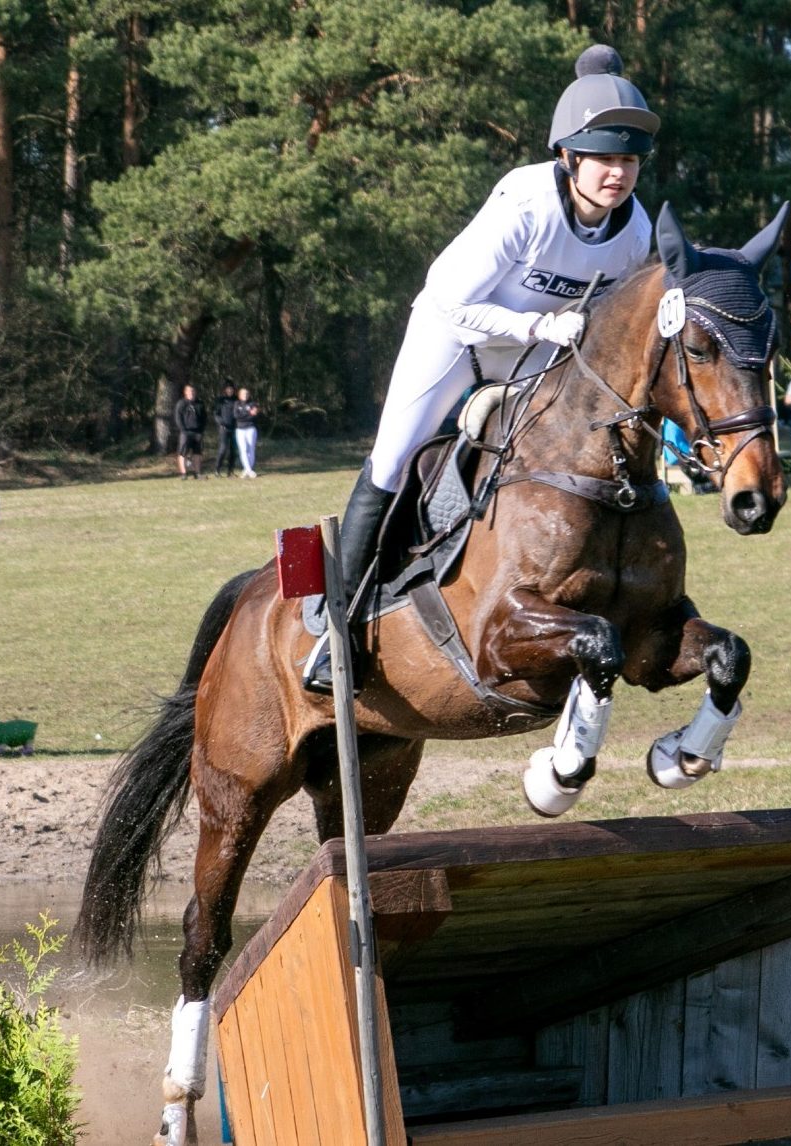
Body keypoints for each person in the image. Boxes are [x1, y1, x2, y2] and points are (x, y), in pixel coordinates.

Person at [303, 45, 660, 693]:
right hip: (454, 340)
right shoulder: (525, 203)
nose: (618, 174)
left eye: (629, 160)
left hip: (538, 359)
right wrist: (534, 325)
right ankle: (338, 633)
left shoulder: (634, 230)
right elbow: (447, 293)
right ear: (569, 158)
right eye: (605, 159)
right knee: (393, 460)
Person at [173, 384, 206, 480]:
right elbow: (178, 418)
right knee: (183, 453)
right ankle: (183, 473)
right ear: (185, 392)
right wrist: (183, 430)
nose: (191, 393)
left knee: (197, 454)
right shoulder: (181, 403)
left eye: (193, 391)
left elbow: (204, 418)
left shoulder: (199, 403)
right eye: (189, 391)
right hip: (186, 432)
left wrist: (201, 430)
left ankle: (197, 473)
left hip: (198, 432)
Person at [233, 388, 260, 477]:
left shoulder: (253, 404)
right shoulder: (237, 404)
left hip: (250, 429)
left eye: (247, 394)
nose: (245, 395)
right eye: (243, 394)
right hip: (240, 430)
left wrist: (245, 415)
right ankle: (248, 470)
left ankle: (247, 469)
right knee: (243, 449)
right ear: (240, 395)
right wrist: (248, 413)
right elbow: (236, 416)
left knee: (250, 449)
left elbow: (253, 417)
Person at [213, 381, 239, 477]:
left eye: (231, 389)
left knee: (233, 450)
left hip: (234, 428)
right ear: (225, 390)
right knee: (223, 449)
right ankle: (217, 470)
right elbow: (216, 413)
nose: (230, 390)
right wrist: (220, 421)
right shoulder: (221, 400)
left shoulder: (237, 400)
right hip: (223, 428)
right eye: (228, 389)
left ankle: (230, 471)